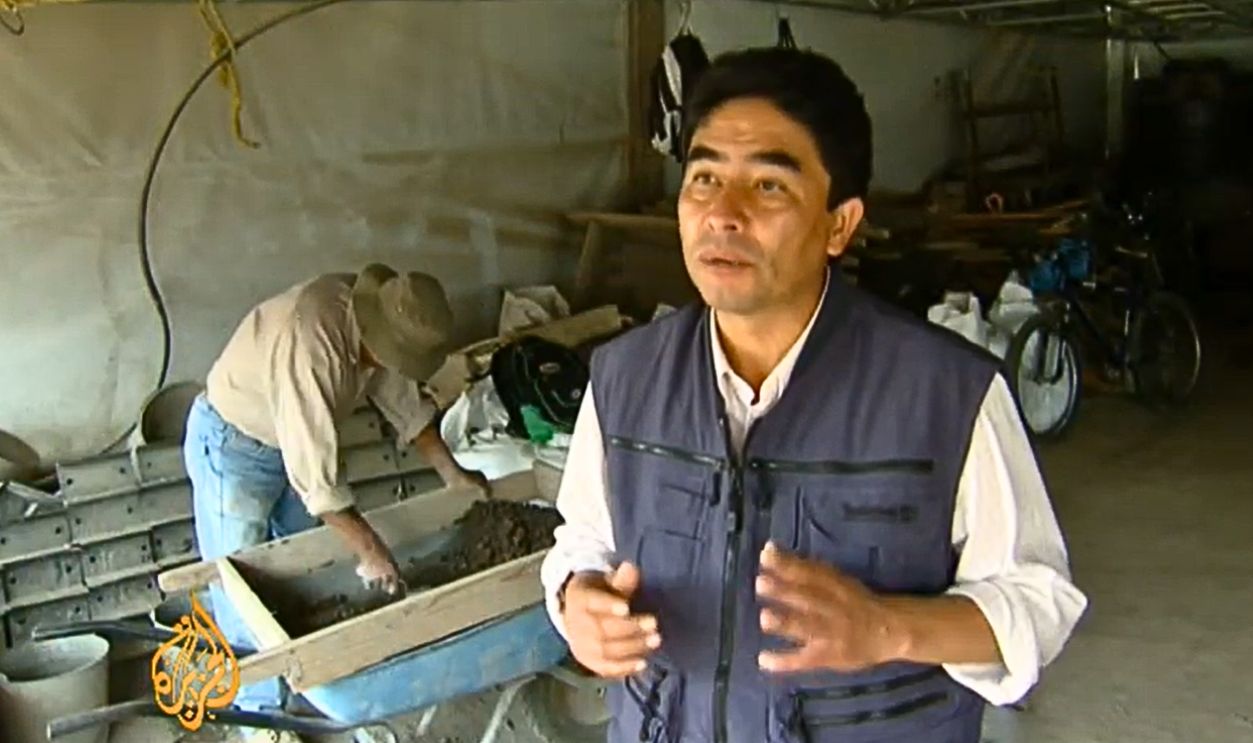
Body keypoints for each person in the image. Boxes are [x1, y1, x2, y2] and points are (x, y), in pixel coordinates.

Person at [539, 47, 1087, 743]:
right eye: (703, 177)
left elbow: (1036, 604)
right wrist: (576, 601)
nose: (723, 214)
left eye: (768, 186)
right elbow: (580, 544)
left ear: (839, 224)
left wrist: (889, 627)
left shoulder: (946, 392)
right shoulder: (623, 378)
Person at [184, 263, 490, 738]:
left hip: (285, 442)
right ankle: (259, 720)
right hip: (234, 445)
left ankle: (310, 681)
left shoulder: (378, 318)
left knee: (306, 571)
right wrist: (371, 551)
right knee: (241, 587)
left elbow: (406, 406)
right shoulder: (312, 346)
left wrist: (454, 475)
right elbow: (318, 486)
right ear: (376, 335)